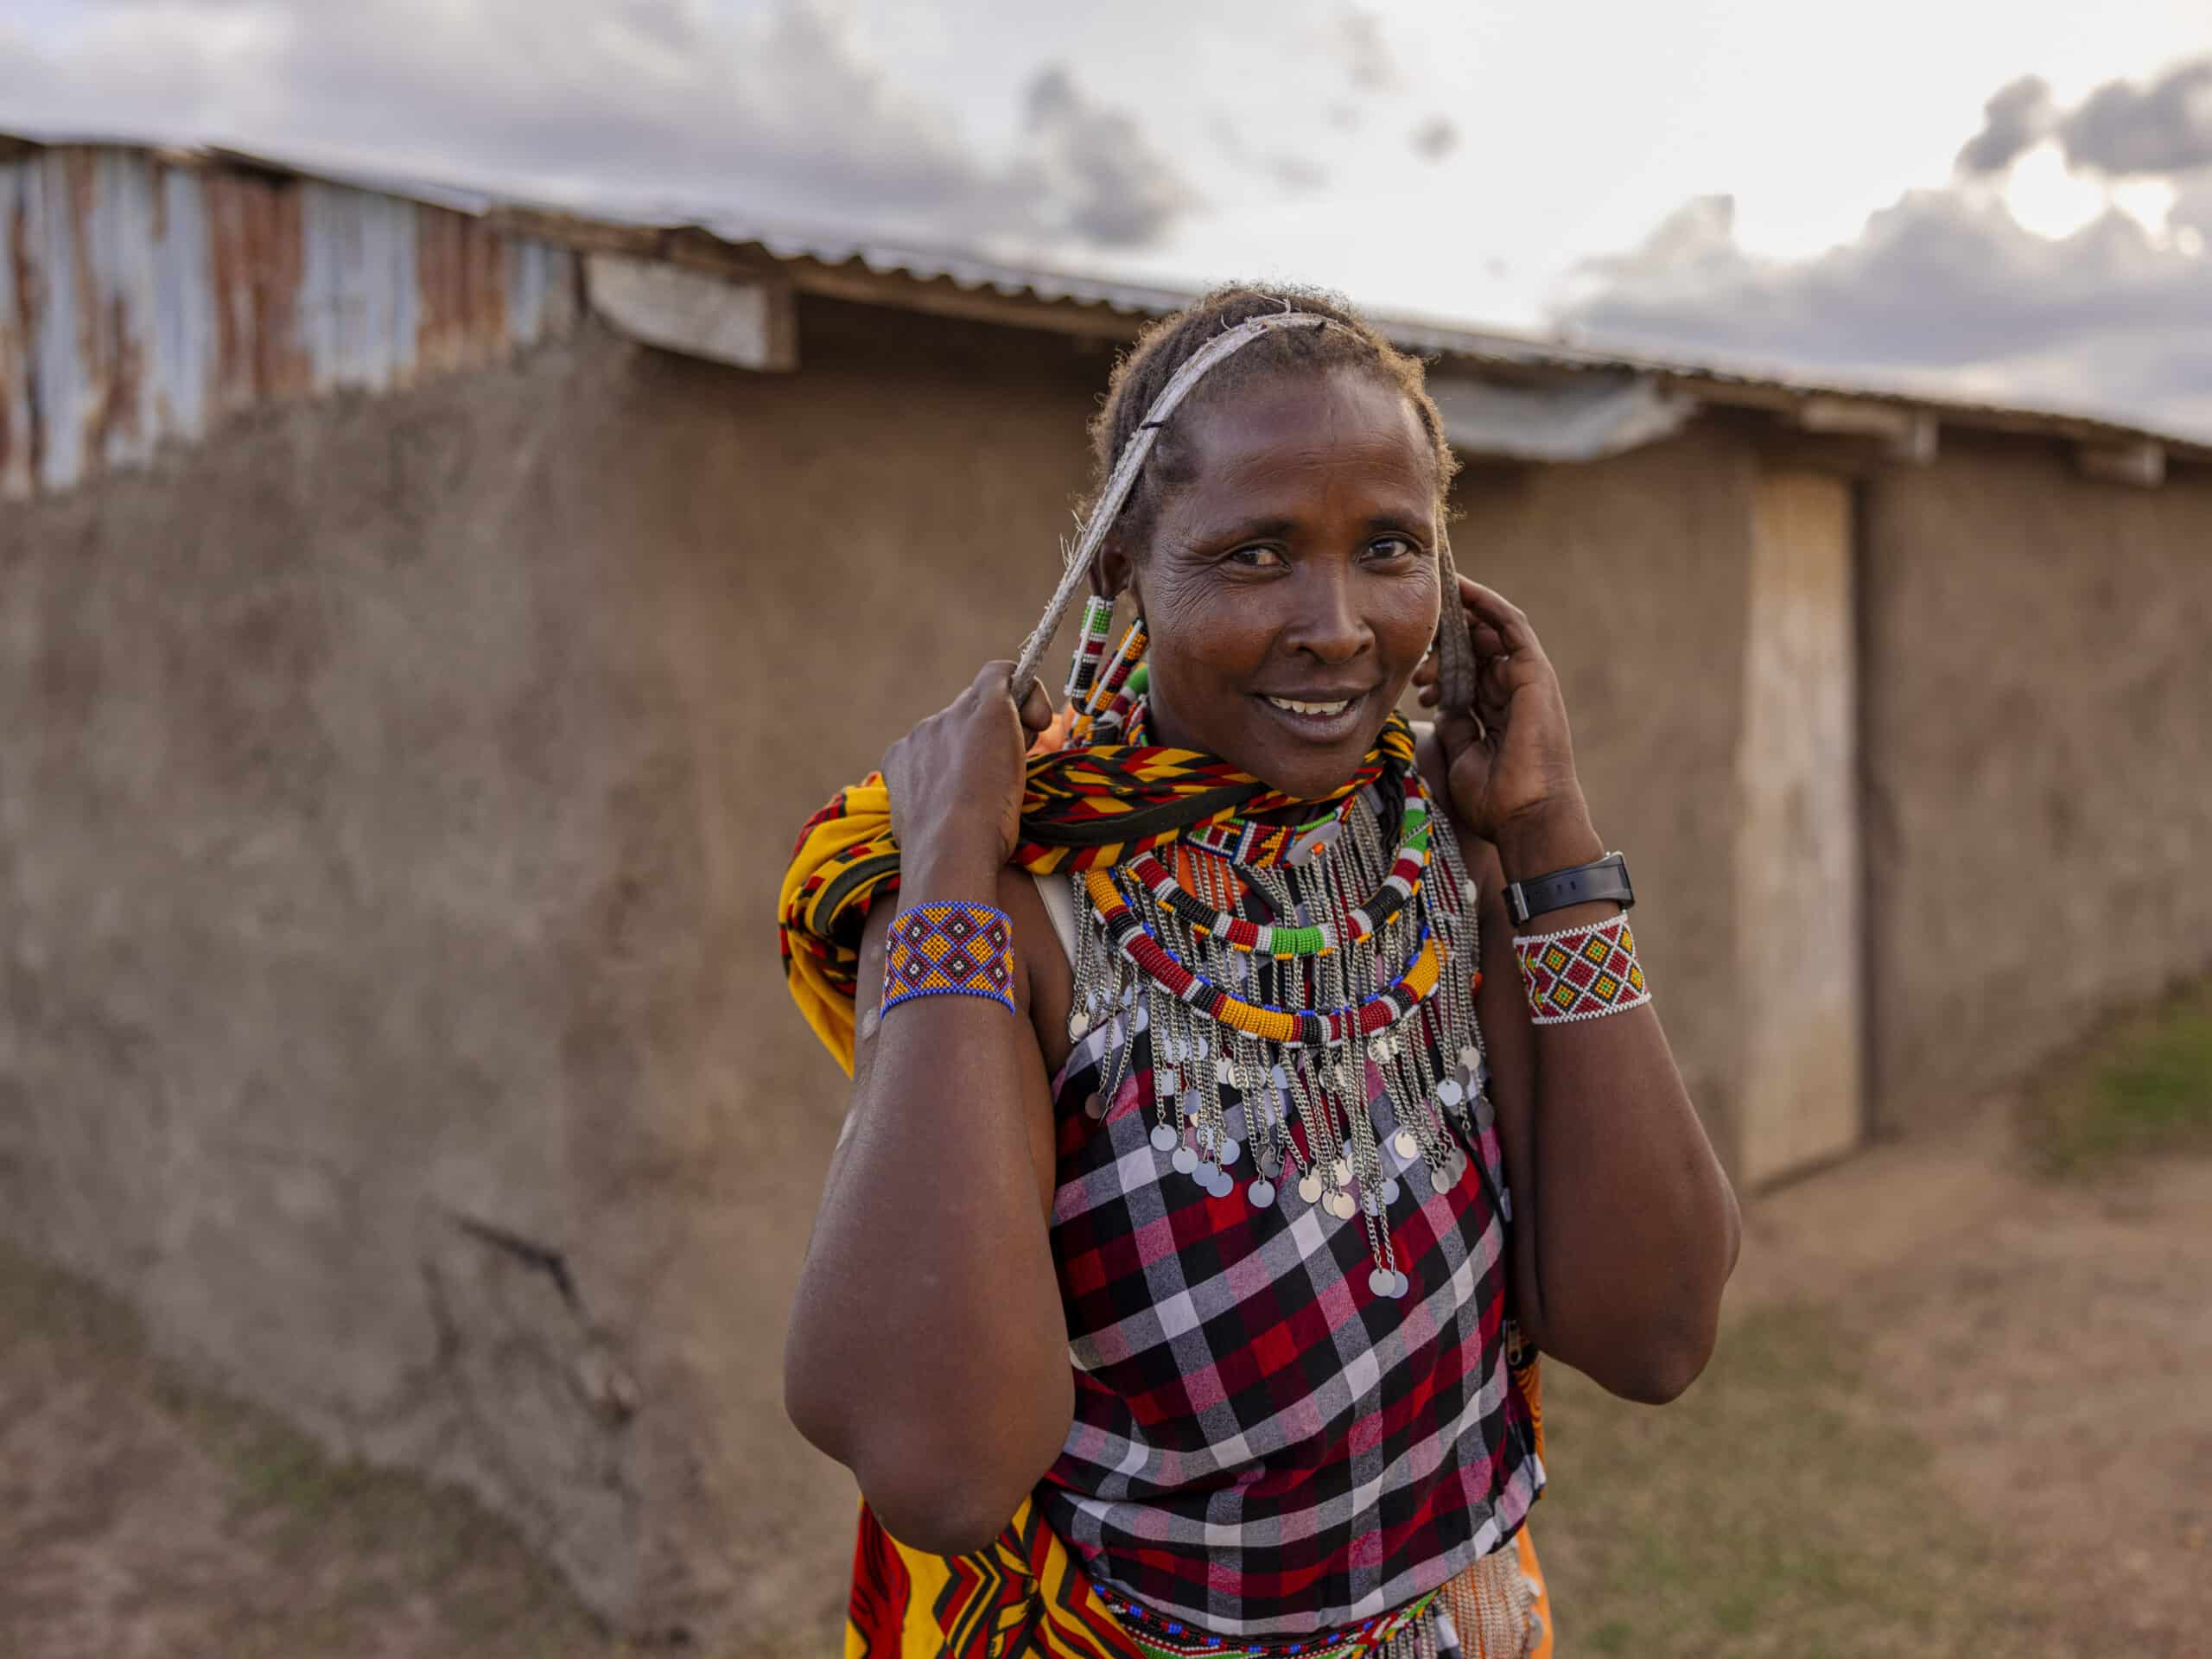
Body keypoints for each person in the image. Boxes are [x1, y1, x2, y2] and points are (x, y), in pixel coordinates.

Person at [779, 287, 1740, 1659]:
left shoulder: (1448, 859)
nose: (1337, 624)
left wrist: (1549, 838)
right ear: (1122, 563)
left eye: (1390, 548)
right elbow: (939, 1468)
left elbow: (1652, 1335)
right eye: (1254, 555)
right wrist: (940, 875)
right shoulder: (1017, 907)